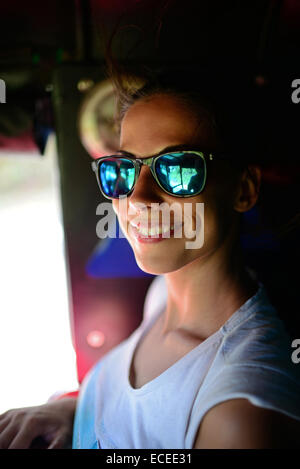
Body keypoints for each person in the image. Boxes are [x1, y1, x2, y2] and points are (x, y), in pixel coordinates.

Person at [0, 66, 300, 449]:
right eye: (123, 170)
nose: (138, 198)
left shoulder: (239, 417)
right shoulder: (162, 297)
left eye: (178, 169)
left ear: (243, 189)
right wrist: (74, 411)